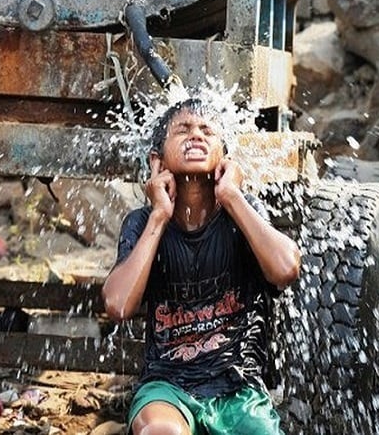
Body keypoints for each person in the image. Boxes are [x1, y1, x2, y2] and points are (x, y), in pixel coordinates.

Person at [102, 98, 301, 435]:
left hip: (237, 388)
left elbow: (285, 269)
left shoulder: (241, 213)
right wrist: (159, 216)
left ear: (225, 160)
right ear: (157, 160)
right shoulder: (142, 222)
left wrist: (232, 196)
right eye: (182, 130)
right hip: (167, 387)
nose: (196, 136)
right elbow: (118, 305)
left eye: (207, 131)